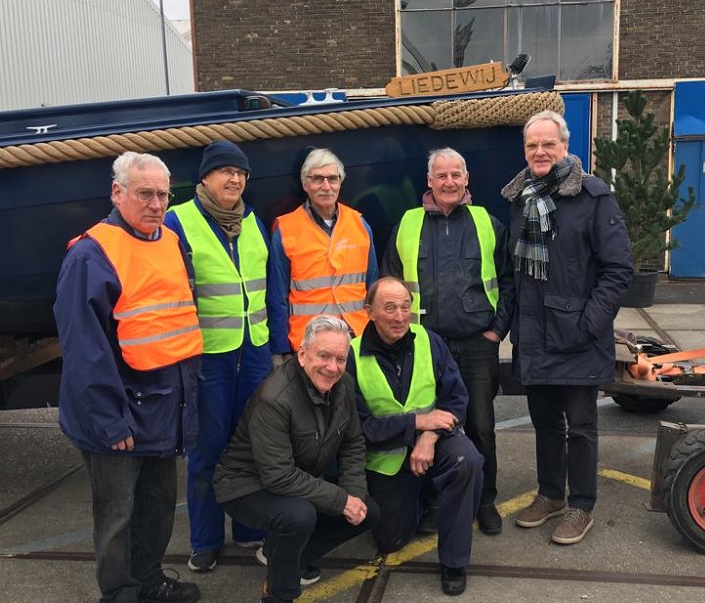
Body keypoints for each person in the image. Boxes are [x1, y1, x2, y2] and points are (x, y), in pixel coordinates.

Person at [55, 151, 202, 603]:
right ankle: (120, 593)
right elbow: (84, 349)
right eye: (145, 194)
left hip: (163, 405)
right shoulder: (91, 254)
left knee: (158, 505)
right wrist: (110, 420)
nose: (156, 204)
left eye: (163, 194)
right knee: (117, 514)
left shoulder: (171, 242)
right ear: (117, 193)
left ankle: (149, 580)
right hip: (119, 412)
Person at [501, 110, 634, 545]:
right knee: (545, 424)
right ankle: (551, 495)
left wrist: (589, 323)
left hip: (577, 336)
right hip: (534, 335)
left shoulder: (594, 198)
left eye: (548, 144)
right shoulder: (520, 198)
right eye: (532, 145)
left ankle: (581, 505)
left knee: (580, 427)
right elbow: (516, 273)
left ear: (564, 146)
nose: (539, 152)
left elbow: (618, 270)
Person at [164, 140, 285, 572]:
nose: (235, 180)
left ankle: (250, 529)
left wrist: (276, 347)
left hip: (253, 353)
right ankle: (205, 540)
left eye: (242, 173)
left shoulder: (253, 221)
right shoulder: (178, 221)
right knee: (207, 450)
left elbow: (271, 288)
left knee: (251, 446)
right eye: (226, 172)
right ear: (206, 177)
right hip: (208, 356)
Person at [381, 147, 514, 536]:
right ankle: (433, 502)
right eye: (441, 176)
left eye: (456, 174)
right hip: (423, 345)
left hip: (476, 346)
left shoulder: (488, 223)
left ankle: (484, 500)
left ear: (466, 179)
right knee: (427, 427)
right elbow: (390, 282)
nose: (449, 182)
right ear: (429, 181)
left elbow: (509, 281)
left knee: (481, 427)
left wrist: (496, 331)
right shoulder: (407, 224)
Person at [214, 315, 380, 603]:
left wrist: (353, 494)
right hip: (245, 484)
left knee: (368, 511)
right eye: (324, 356)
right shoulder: (276, 397)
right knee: (299, 516)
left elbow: (352, 443)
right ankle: (280, 593)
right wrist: (341, 500)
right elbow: (278, 475)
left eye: (340, 359)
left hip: (295, 476)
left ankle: (283, 556)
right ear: (302, 354)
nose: (332, 367)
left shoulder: (343, 385)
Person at [347, 277, 483, 596]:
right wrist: (417, 422)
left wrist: (429, 435)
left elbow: (456, 399)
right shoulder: (351, 357)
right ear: (369, 311)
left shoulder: (429, 340)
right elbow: (359, 429)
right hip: (386, 457)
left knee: (467, 460)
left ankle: (453, 562)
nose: (399, 316)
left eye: (405, 307)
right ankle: (426, 497)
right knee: (390, 540)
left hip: (434, 443)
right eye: (389, 308)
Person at [268, 148, 379, 359]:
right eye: (318, 179)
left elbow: (373, 288)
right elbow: (277, 297)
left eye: (332, 179)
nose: (326, 186)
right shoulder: (285, 229)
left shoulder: (360, 225)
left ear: (340, 183)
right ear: (305, 184)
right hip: (308, 344)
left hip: (356, 340)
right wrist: (281, 350)